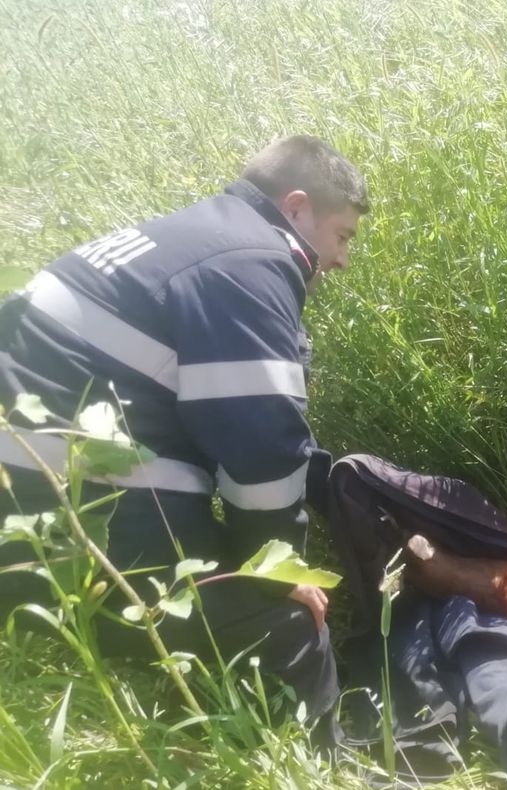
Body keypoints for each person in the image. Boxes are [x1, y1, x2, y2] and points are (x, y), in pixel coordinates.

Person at [0, 135, 368, 728]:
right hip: (67, 513)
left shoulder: (189, 236)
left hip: (24, 501)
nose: (343, 259)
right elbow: (264, 455)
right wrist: (273, 576)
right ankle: (322, 757)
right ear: (296, 207)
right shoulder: (251, 263)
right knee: (287, 624)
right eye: (342, 236)